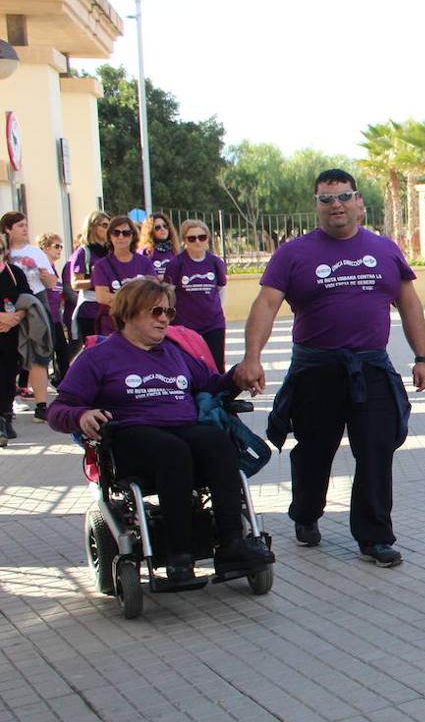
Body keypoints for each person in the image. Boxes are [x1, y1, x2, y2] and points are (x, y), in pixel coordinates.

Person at [239, 169, 425, 569]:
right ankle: (306, 514)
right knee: (314, 452)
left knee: (376, 450)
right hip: (316, 370)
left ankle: (375, 536)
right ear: (317, 204)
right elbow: (266, 305)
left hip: (371, 368)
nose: (336, 205)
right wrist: (252, 356)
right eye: (326, 199)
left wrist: (422, 357)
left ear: (358, 201)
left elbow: (409, 303)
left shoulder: (384, 249)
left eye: (343, 196)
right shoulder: (294, 253)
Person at [46, 278, 272, 582]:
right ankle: (179, 556)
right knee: (172, 451)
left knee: (217, 442)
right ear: (128, 313)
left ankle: (232, 545)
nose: (164, 318)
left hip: (182, 429)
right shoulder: (98, 358)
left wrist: (238, 378)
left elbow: (210, 384)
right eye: (155, 311)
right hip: (131, 436)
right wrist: (82, 415)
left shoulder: (175, 353)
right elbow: (58, 410)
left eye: (168, 312)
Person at [1, 212, 57, 422]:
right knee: (8, 358)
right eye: (20, 226)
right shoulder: (4, 252)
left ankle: (41, 406)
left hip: (33, 306)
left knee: (37, 357)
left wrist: (47, 276)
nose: (25, 229)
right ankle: (8, 404)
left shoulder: (36, 252)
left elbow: (52, 283)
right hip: (6, 308)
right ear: (8, 229)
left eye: (26, 225)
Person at [165, 220, 228, 371]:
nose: (197, 242)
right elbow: (168, 293)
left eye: (202, 237)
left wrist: (216, 310)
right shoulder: (176, 264)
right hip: (185, 325)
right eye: (191, 238)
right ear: (184, 240)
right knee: (187, 365)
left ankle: (218, 394)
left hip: (213, 324)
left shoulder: (215, 262)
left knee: (216, 365)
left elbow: (221, 289)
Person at [92, 216, 154, 336]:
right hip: (112, 326)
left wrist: (119, 299)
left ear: (133, 236)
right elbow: (102, 297)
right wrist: (136, 300)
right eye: (116, 233)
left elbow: (153, 292)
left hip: (140, 325)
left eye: (126, 233)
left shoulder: (144, 262)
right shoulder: (101, 265)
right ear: (109, 236)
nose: (121, 237)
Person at [0, 230, 33, 446]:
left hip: (11, 334)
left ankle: (5, 417)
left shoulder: (14, 272)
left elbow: (27, 298)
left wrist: (16, 317)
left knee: (7, 375)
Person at [70, 211, 111, 344]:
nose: (108, 229)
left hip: (111, 307)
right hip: (90, 308)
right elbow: (75, 283)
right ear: (93, 227)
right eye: (104, 225)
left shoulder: (112, 251)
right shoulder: (83, 252)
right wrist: (99, 281)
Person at [38, 233, 71, 386]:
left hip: (56, 316)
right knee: (50, 351)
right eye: (56, 246)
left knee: (62, 350)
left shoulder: (53, 268)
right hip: (46, 316)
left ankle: (62, 381)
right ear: (45, 248)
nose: (60, 250)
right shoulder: (42, 268)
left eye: (61, 246)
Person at [138, 212, 180, 279]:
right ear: (150, 231)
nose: (162, 229)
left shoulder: (175, 250)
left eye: (165, 226)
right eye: (157, 227)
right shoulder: (144, 252)